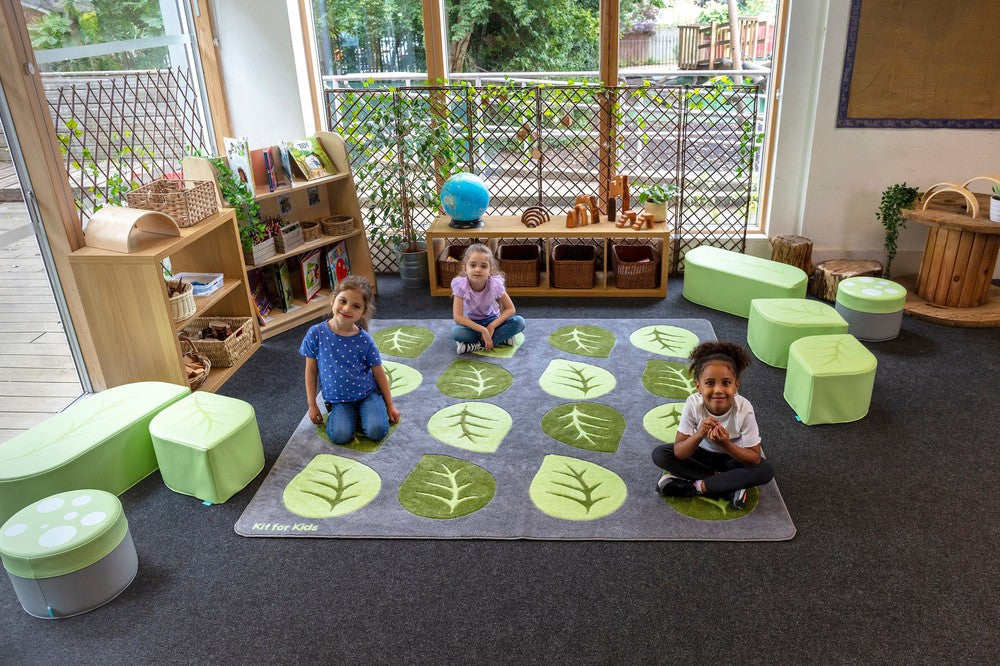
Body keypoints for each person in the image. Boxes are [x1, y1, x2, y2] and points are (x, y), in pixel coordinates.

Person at [651, 341, 774, 509]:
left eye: (726, 383)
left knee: (765, 470)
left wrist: (725, 444)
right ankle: (726, 486)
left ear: (736, 385)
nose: (718, 390)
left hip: (732, 458)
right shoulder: (693, 404)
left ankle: (697, 486)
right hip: (701, 456)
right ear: (698, 386)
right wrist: (699, 434)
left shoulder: (744, 408)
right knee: (660, 454)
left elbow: (754, 457)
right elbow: (679, 452)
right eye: (710, 383)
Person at [301, 275, 400, 445]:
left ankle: (369, 409)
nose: (347, 308)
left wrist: (390, 404)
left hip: (366, 394)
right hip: (338, 399)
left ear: (363, 313)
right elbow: (310, 371)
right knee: (340, 436)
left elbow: (378, 372)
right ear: (333, 300)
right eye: (343, 301)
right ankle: (354, 414)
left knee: (377, 431)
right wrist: (312, 405)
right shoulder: (316, 333)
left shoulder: (365, 340)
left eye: (356, 306)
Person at [450, 243, 525, 354]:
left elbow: (510, 309)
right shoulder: (460, 286)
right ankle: (500, 338)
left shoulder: (495, 284)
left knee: (519, 322)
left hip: (492, 320)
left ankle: (476, 345)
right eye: (473, 265)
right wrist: (483, 330)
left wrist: (492, 326)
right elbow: (458, 318)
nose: (477, 270)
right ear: (465, 268)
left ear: (490, 270)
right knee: (457, 332)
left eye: (483, 266)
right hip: (472, 324)